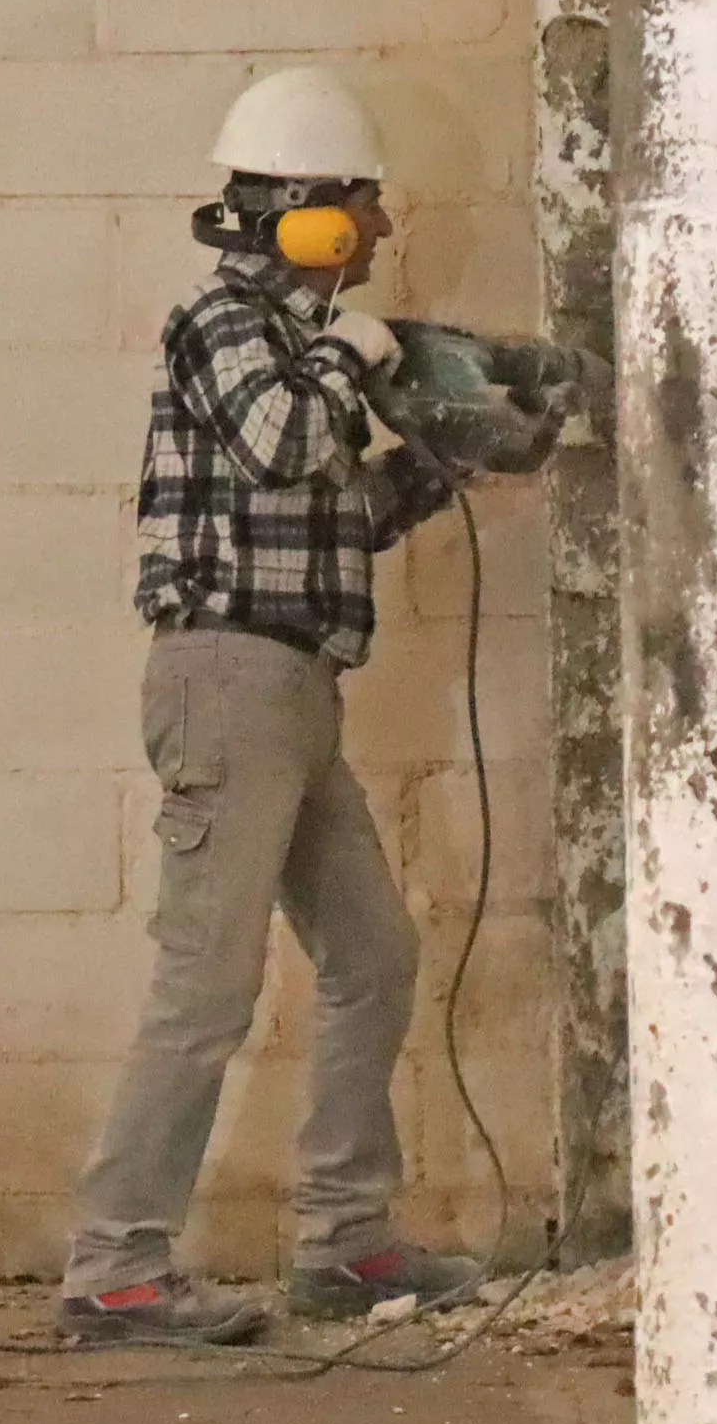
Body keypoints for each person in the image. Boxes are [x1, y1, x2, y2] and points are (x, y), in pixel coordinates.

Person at [56, 69, 535, 1344]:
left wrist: (443, 462)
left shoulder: (296, 348)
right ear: (311, 213)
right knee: (206, 989)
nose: (377, 234)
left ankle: (345, 1242)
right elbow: (280, 440)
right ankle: (117, 1267)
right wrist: (353, 354)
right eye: (364, 209)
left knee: (374, 956)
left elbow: (336, 518)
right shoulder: (223, 326)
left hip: (293, 680)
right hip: (228, 679)